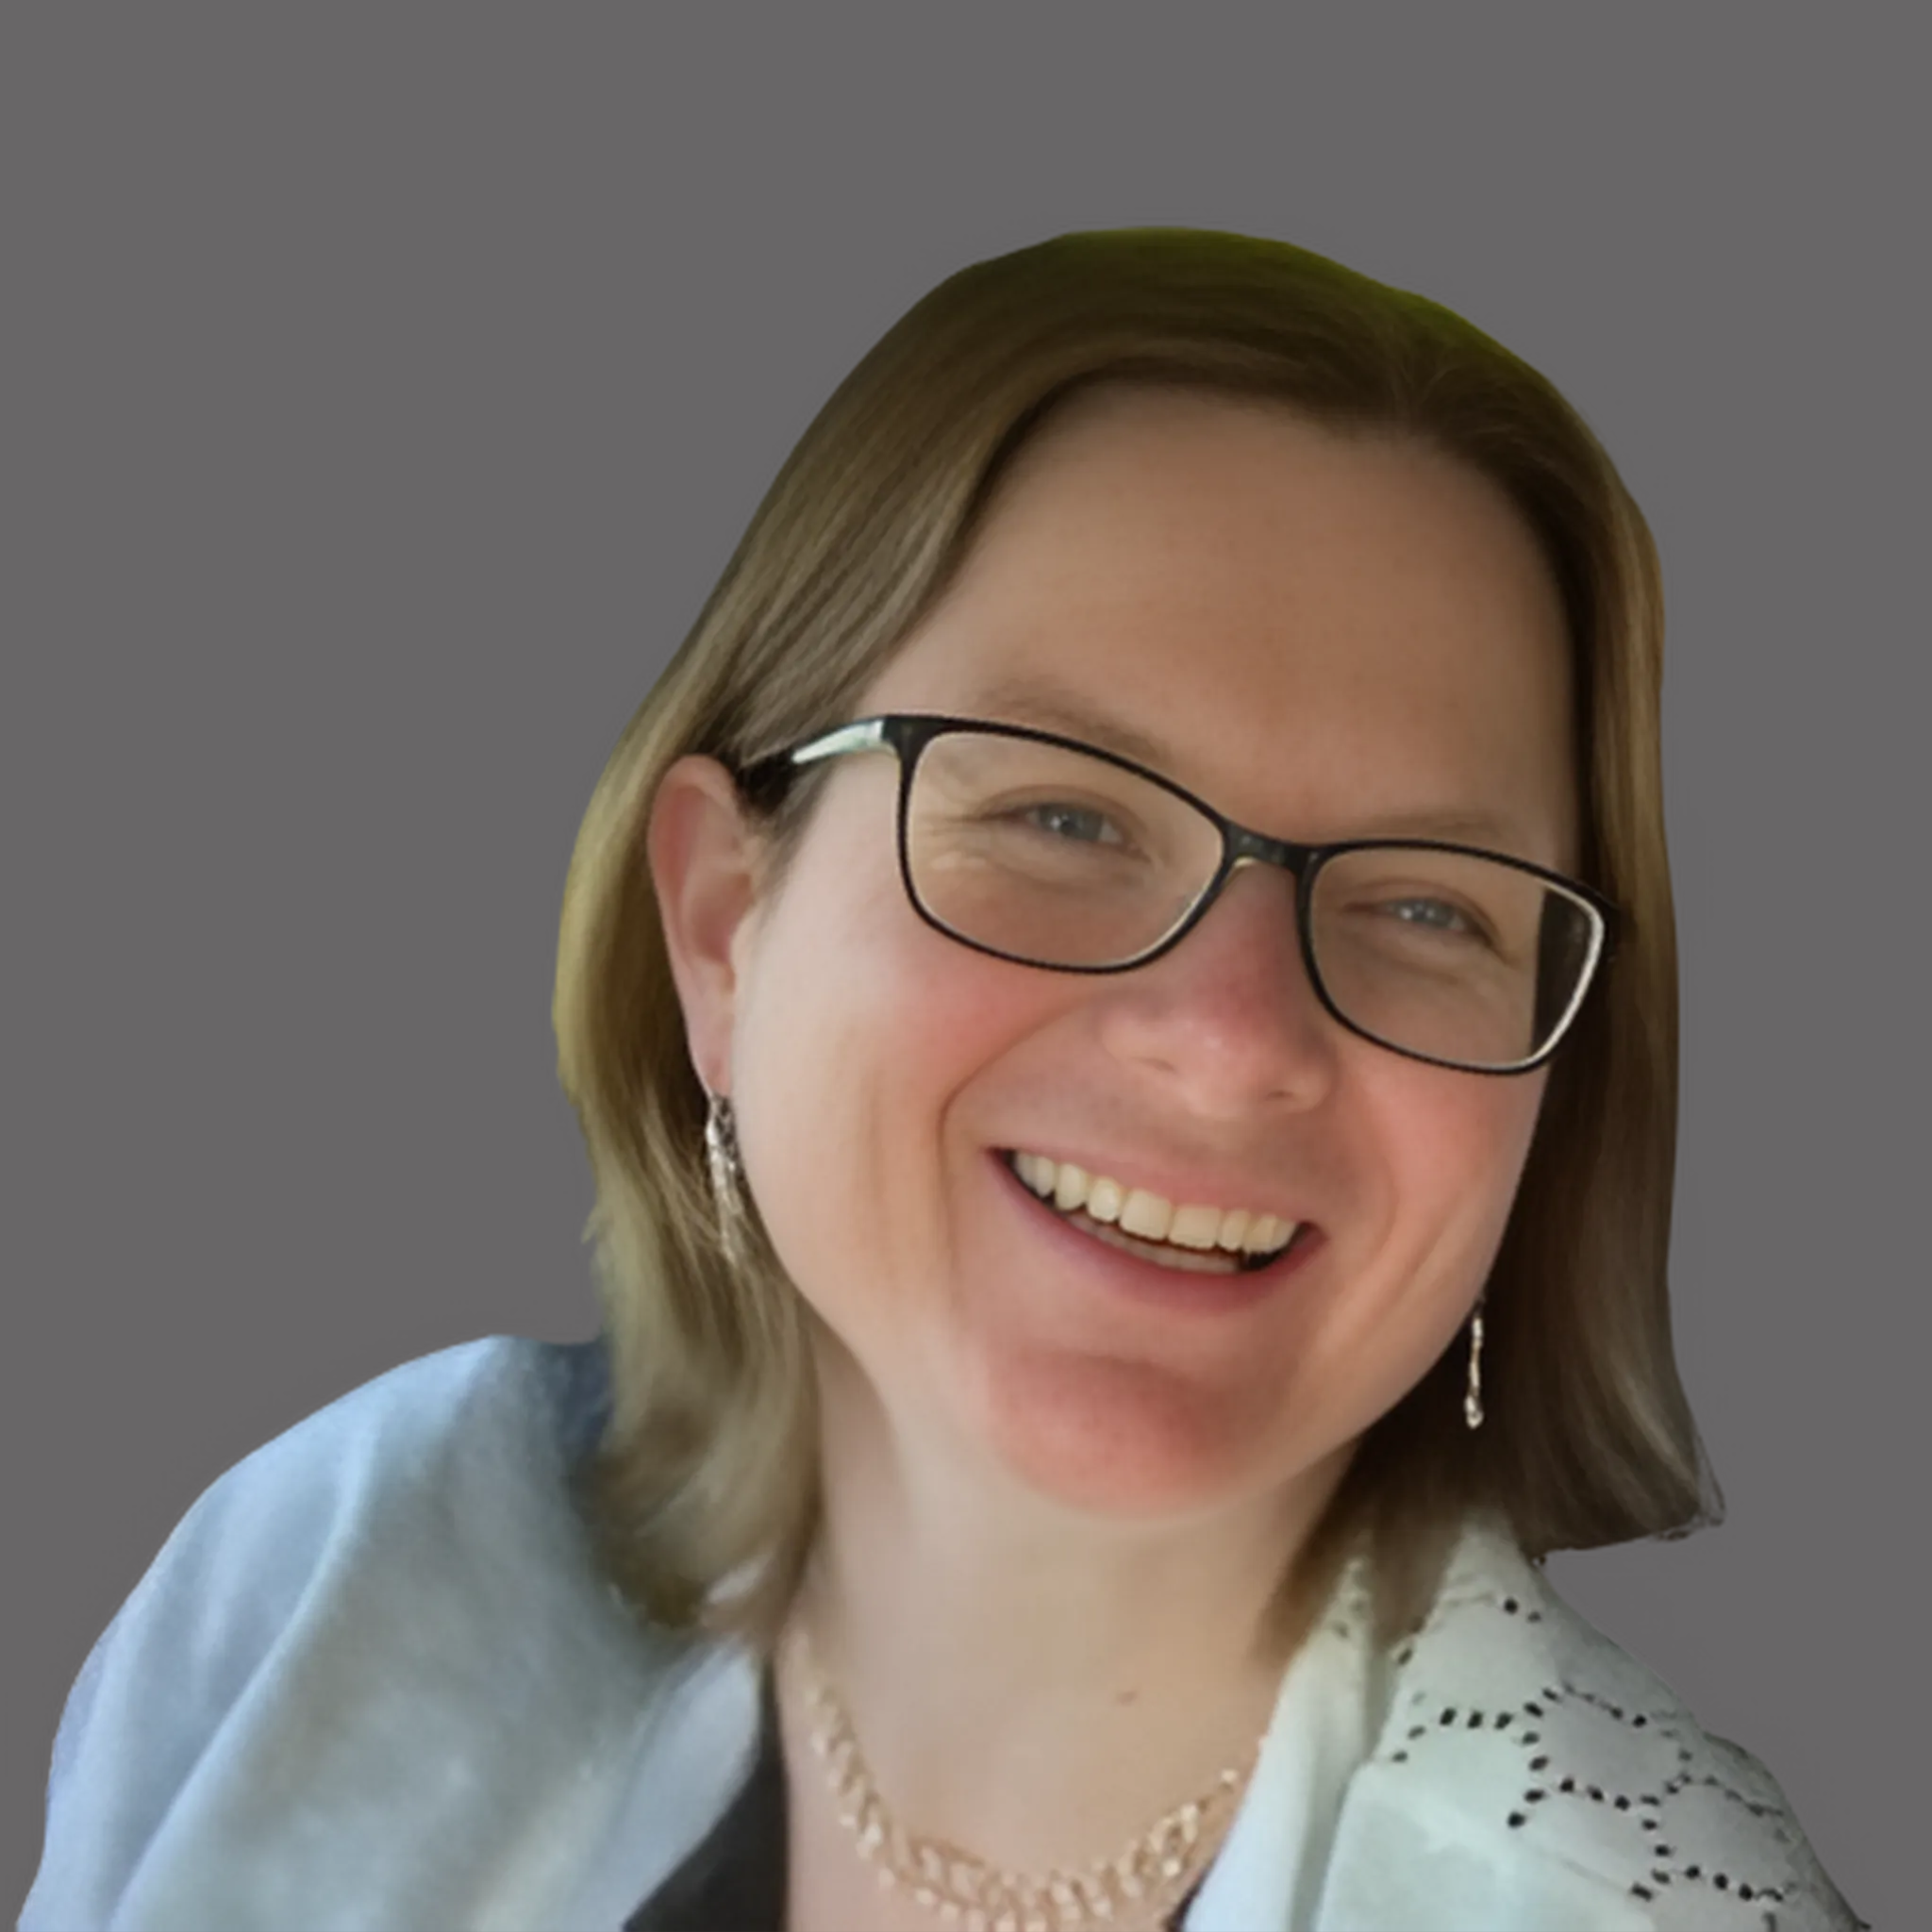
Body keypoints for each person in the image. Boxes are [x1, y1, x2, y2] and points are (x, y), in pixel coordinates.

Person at [23, 229, 1865, 1932]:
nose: (1229, 1040)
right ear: (722, 926)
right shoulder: (330, 1564)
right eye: (1061, 815)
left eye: (1421, 907)